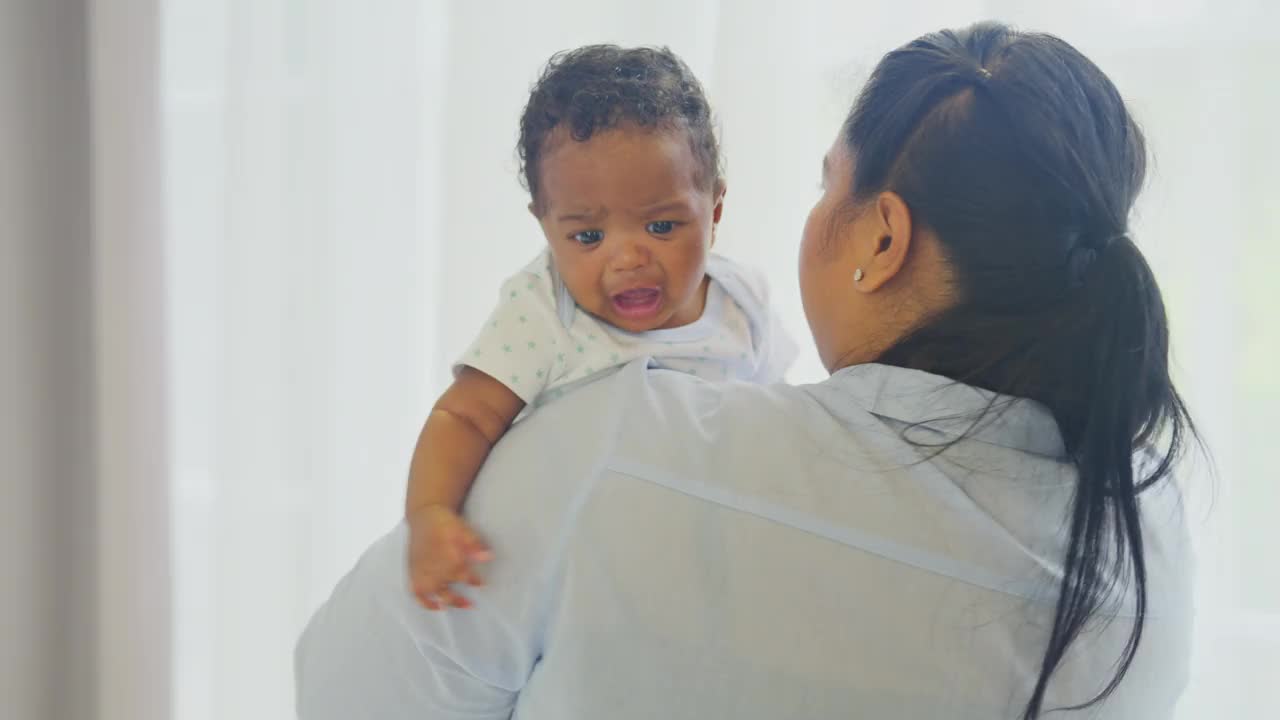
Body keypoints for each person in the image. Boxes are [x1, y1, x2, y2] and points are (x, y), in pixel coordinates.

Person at [296, 22, 1197, 719]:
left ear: (884, 238)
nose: (628, 258)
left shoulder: (613, 447)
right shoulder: (1142, 541)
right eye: (586, 232)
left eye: (826, 184)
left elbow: (347, 688)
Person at [403, 45, 795, 610]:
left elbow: (776, 420)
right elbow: (464, 415)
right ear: (546, 226)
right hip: (582, 567)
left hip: (701, 556)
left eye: (661, 226)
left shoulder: (741, 301)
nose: (627, 259)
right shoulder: (545, 310)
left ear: (714, 209)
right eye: (587, 237)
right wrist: (431, 514)